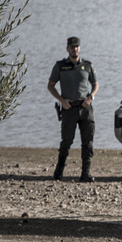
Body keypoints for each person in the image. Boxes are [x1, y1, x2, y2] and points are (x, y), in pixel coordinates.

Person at [47, 36, 98, 182]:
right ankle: (58, 172)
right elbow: (50, 85)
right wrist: (61, 101)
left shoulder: (87, 65)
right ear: (67, 49)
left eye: (76, 46)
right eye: (72, 47)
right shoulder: (60, 66)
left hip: (86, 108)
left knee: (88, 142)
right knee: (66, 142)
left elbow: (95, 85)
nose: (74, 49)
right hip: (69, 109)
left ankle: (85, 174)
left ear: (80, 48)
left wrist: (90, 98)